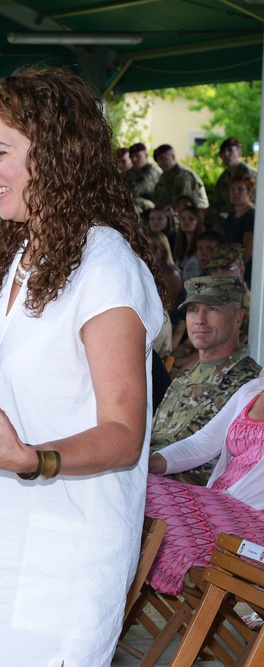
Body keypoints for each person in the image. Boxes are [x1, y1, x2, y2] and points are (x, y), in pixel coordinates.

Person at [0, 67, 162, 665]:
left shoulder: (106, 267)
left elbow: (123, 435)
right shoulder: (15, 256)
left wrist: (33, 460)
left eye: (0, 152)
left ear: (57, 157)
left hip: (60, 568)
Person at [145, 374, 264, 596]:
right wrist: (146, 466)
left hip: (253, 527)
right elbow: (201, 444)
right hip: (218, 504)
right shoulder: (252, 390)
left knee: (147, 493)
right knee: (136, 485)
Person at [151, 276, 260, 485]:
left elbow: (212, 461)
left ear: (238, 318)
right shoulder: (183, 378)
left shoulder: (250, 385)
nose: (199, 319)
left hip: (192, 498)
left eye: (212, 309)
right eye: (192, 309)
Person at [208, 137, 257, 232]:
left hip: (247, 218)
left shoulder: (249, 175)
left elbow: (253, 203)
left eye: (230, 150)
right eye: (223, 152)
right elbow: (216, 202)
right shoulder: (223, 177)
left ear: (239, 153)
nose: (226, 154)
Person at [153, 143, 209, 210]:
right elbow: (157, 198)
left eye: (163, 159)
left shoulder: (183, 175)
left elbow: (180, 203)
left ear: (173, 157)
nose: (160, 163)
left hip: (195, 213)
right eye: (158, 160)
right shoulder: (164, 176)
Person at [223, 173, 255, 282]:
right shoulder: (231, 216)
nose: (235, 192)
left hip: (245, 273)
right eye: (232, 189)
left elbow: (247, 253)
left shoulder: (251, 216)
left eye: (240, 189)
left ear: (249, 192)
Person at [126, 142, 161, 212]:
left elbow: (134, 191)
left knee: (133, 202)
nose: (134, 159)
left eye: (137, 156)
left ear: (146, 155)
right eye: (131, 157)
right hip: (143, 206)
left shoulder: (151, 171)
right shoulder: (132, 172)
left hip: (155, 207)